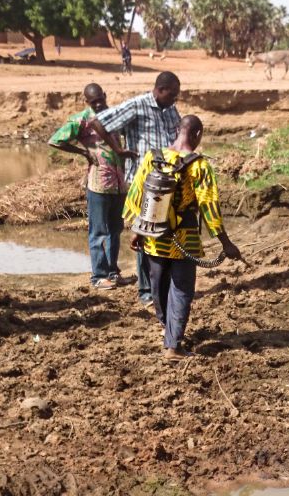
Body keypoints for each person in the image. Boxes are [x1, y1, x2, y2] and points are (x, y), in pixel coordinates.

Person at [124, 115, 242, 359]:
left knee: (158, 288)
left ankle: (169, 333)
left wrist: (136, 230)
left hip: (154, 237)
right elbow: (209, 207)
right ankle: (174, 346)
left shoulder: (152, 157)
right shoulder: (199, 166)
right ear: (197, 134)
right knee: (181, 290)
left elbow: (136, 196)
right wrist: (225, 243)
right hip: (185, 239)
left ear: (177, 130)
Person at [92, 71, 182, 307]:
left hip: (166, 180)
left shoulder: (170, 109)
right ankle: (145, 290)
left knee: (163, 231)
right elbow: (98, 122)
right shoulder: (137, 105)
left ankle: (160, 283)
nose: (175, 99)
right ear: (160, 90)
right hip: (143, 182)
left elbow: (177, 135)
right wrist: (119, 150)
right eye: (172, 94)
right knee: (143, 232)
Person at [48, 83, 127, 290]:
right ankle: (99, 276)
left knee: (116, 229)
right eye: (94, 102)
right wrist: (83, 153)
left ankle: (113, 272)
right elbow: (56, 140)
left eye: (101, 99)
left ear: (105, 95)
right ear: (87, 102)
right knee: (98, 231)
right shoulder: (81, 120)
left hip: (119, 182)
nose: (99, 104)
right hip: (99, 182)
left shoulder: (114, 115)